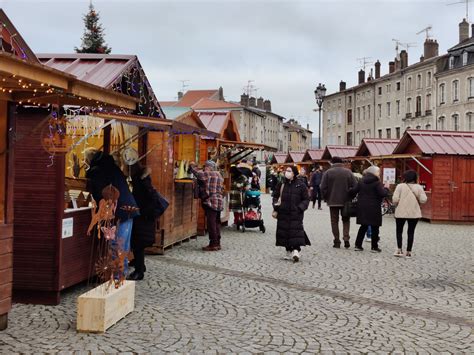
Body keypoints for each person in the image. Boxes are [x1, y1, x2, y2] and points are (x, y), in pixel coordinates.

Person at [84, 148, 139, 277]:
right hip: (129, 208)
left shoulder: (97, 171)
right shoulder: (112, 167)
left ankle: (117, 277)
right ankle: (121, 274)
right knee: (123, 245)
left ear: (89, 159)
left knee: (116, 245)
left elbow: (100, 194)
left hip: (118, 210)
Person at [272, 165, 310, 262]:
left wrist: (300, 208)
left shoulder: (301, 185)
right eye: (286, 171)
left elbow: (306, 199)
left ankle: (296, 250)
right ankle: (288, 250)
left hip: (296, 213)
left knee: (296, 231)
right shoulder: (281, 184)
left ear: (294, 173)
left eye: (289, 171)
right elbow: (275, 196)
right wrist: (276, 205)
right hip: (283, 212)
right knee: (284, 231)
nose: (287, 172)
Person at [128, 163, 158, 280]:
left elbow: (152, 197)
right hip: (142, 215)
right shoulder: (141, 179)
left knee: (138, 243)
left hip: (143, 216)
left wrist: (142, 211)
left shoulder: (141, 180)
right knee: (138, 243)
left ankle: (139, 271)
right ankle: (140, 266)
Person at [320, 157, 357, 249]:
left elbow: (322, 187)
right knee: (346, 220)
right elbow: (355, 186)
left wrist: (326, 197)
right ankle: (346, 239)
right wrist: (350, 196)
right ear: (342, 163)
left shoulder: (328, 172)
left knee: (334, 221)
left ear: (332, 163)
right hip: (346, 201)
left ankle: (336, 241)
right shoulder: (348, 172)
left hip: (332, 201)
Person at [350, 166, 389, 252]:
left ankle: (358, 245)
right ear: (375, 173)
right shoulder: (377, 182)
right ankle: (374, 247)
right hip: (374, 207)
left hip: (362, 206)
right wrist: (386, 188)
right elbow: (382, 194)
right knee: (375, 227)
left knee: (363, 226)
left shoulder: (361, 181)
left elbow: (353, 191)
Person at [190, 160, 224, 251]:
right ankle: (217, 243)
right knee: (216, 222)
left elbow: (198, 174)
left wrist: (192, 166)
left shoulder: (209, 174)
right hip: (219, 201)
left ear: (209, 167)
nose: (204, 168)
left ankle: (213, 244)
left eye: (205, 166)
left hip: (211, 201)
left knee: (211, 223)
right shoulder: (219, 175)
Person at [392, 170, 427, 258]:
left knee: (399, 231)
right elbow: (423, 200)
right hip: (414, 212)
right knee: (411, 232)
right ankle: (408, 252)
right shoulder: (418, 187)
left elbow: (395, 199)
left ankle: (399, 250)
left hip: (400, 212)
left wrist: (398, 203)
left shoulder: (400, 186)